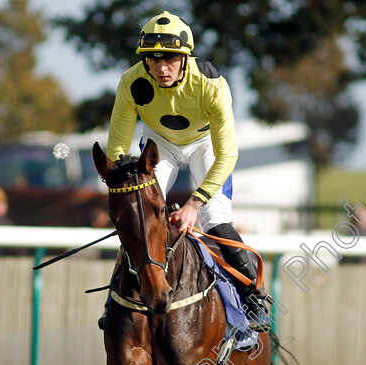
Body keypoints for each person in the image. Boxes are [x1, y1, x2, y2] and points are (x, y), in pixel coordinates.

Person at [99, 11, 269, 331]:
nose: (162, 69)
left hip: (206, 146)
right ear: (145, 60)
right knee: (140, 216)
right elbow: (118, 149)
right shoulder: (130, 81)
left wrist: (194, 204)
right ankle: (115, 301)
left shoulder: (211, 83)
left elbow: (227, 154)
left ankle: (253, 296)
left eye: (171, 60)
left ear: (185, 57)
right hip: (159, 144)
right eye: (154, 60)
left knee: (215, 219)